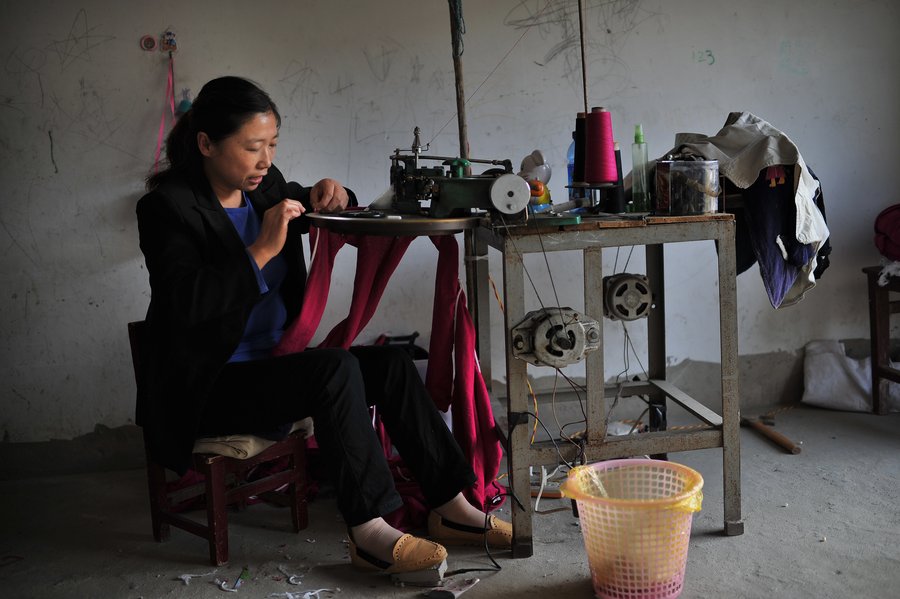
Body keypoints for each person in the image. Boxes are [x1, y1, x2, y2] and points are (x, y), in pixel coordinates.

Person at [136, 76, 511, 573]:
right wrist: (262, 251)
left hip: (274, 366)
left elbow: (314, 199)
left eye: (271, 145)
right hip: (210, 385)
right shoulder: (167, 208)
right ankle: (370, 530)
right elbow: (185, 302)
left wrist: (332, 191)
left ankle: (452, 506)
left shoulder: (264, 187)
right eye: (252, 147)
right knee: (333, 370)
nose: (265, 160)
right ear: (205, 143)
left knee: (391, 364)